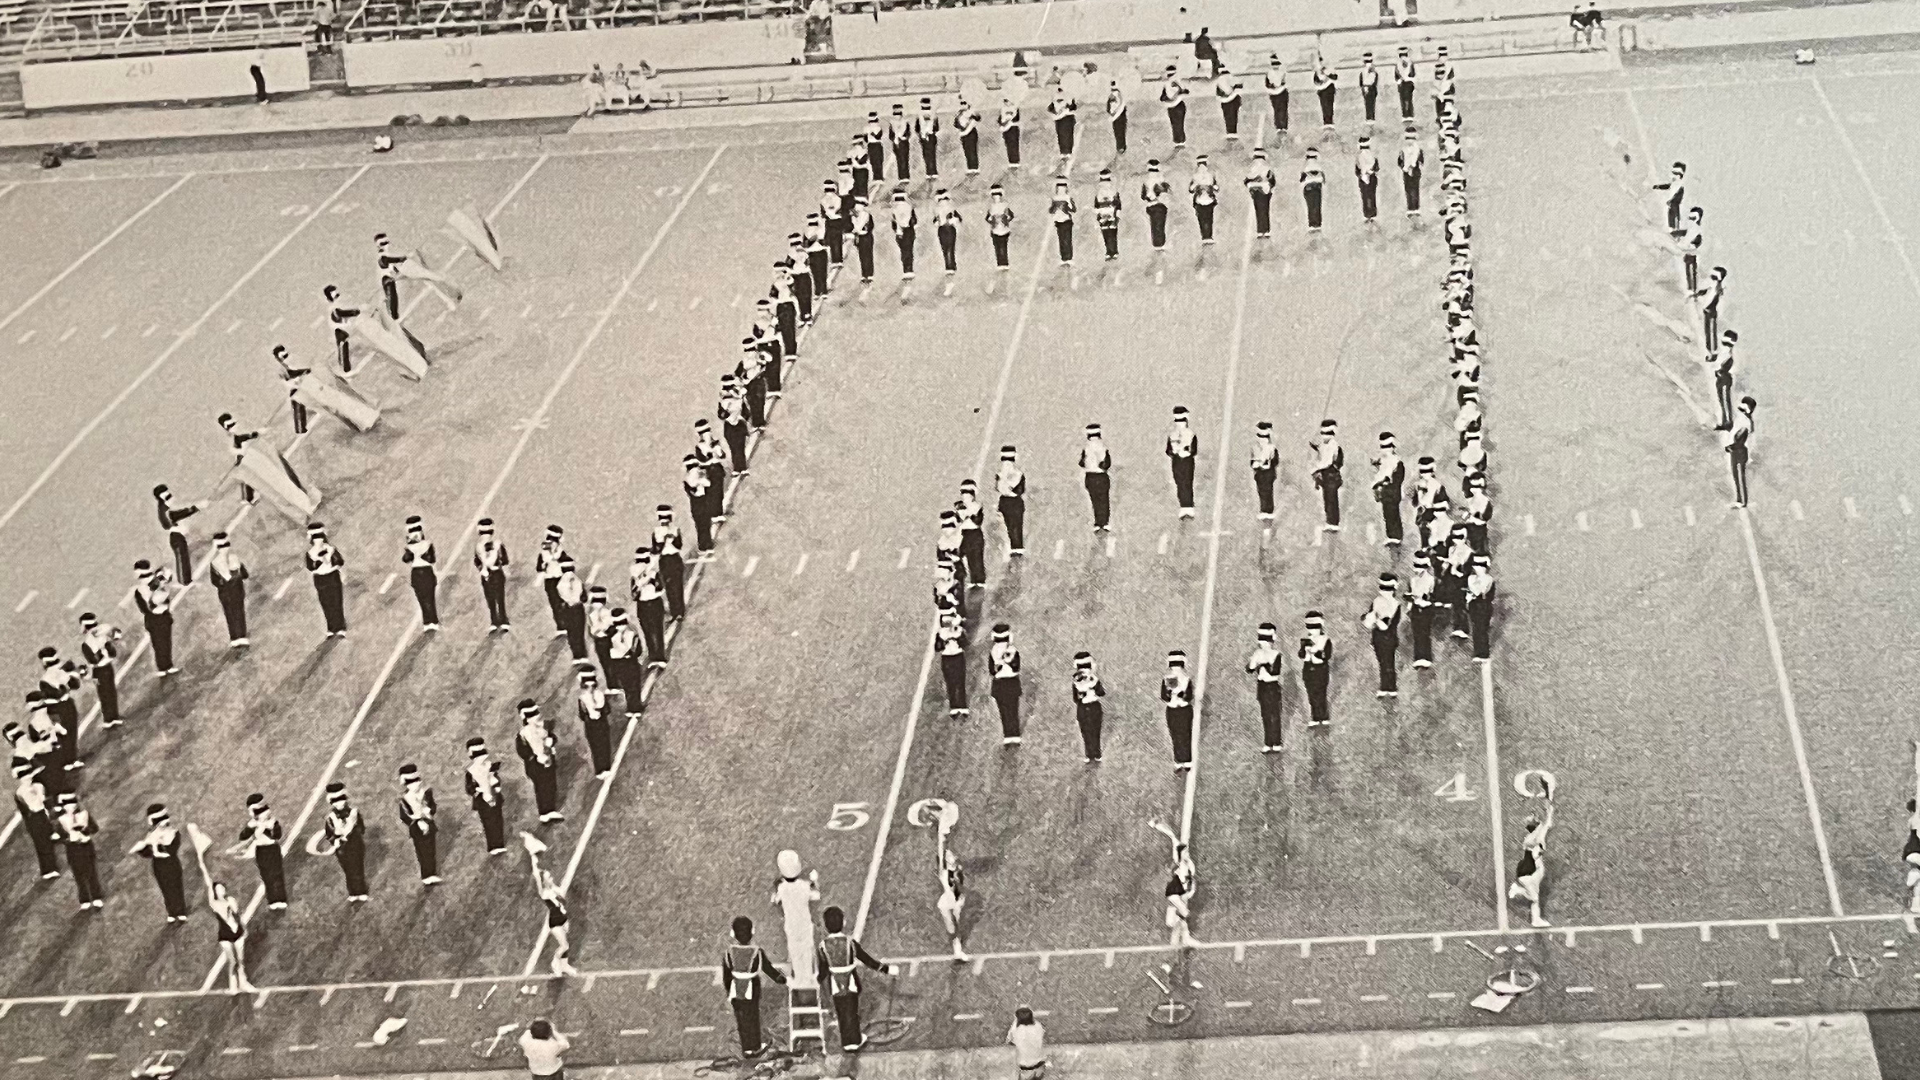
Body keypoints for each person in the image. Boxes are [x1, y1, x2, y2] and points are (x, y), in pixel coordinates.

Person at [818, 905, 893, 1053]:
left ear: (825, 926)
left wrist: (818, 981)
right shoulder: (850, 943)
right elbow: (867, 960)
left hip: (835, 983)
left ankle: (847, 1040)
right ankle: (855, 1039)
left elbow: (822, 971)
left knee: (841, 1011)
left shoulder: (822, 946)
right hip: (851, 980)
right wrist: (886, 969)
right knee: (852, 1010)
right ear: (843, 923)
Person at [723, 916, 786, 1058]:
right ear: (752, 932)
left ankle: (746, 1048)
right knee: (753, 1016)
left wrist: (729, 991)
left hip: (735, 988)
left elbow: (726, 975)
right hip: (752, 987)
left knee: (741, 1018)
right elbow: (768, 969)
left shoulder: (729, 952)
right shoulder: (757, 951)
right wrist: (780, 978)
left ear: (733, 934)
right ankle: (755, 1047)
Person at [131, 803, 189, 923]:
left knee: (176, 887)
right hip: (159, 866)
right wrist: (146, 847)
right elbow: (147, 853)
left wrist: (161, 843)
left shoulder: (173, 833)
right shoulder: (151, 835)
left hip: (172, 863)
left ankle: (181, 911)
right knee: (165, 888)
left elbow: (172, 849)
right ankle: (172, 912)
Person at [230, 793, 289, 910]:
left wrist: (267, 828)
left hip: (272, 848)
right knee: (266, 876)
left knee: (276, 874)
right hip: (261, 850)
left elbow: (277, 835)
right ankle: (272, 900)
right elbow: (243, 836)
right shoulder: (253, 823)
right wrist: (251, 827)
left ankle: (280, 898)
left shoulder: (271, 822)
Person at [529, 844, 579, 975]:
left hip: (563, 919)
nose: (551, 878)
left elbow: (562, 895)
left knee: (566, 944)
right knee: (564, 946)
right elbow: (537, 877)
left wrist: (555, 889)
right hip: (555, 923)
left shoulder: (553, 888)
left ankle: (565, 965)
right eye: (549, 878)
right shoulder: (544, 893)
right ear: (544, 882)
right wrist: (533, 862)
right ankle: (555, 963)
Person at [772, 849, 821, 984]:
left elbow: (775, 900)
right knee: (807, 950)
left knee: (794, 951)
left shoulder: (782, 888)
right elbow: (816, 895)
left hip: (791, 925)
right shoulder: (804, 886)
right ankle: (809, 977)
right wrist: (815, 881)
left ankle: (798, 978)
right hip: (805, 924)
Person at [1508, 792, 1555, 927]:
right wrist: (1549, 811)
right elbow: (1546, 825)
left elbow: (1547, 825)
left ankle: (1536, 919)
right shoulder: (1535, 837)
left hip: (1530, 869)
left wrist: (1549, 811)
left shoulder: (1531, 836)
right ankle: (1518, 890)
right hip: (1529, 871)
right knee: (1534, 898)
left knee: (1535, 895)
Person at [54, 792, 103, 910]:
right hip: (73, 849)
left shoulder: (84, 815)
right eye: (67, 806)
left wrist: (85, 830)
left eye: (72, 805)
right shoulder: (62, 820)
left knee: (91, 873)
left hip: (86, 846)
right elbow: (60, 837)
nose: (70, 808)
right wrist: (68, 837)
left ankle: (96, 897)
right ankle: (84, 899)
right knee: (78, 875)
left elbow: (95, 828)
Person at [77, 613, 124, 728]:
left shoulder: (87, 643)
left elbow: (93, 660)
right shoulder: (103, 635)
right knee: (110, 691)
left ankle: (109, 718)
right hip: (107, 667)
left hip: (99, 671)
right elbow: (112, 650)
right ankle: (113, 716)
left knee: (104, 694)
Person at [209, 881, 257, 993]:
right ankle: (233, 986)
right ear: (214, 892)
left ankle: (244, 984)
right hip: (225, 935)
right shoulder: (214, 904)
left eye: (222, 888)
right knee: (232, 961)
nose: (221, 890)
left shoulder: (231, 900)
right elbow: (208, 886)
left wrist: (243, 928)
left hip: (237, 933)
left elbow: (237, 915)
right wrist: (203, 870)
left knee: (240, 960)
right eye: (218, 889)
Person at [1247, 624, 1284, 752]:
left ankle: (1277, 741)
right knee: (1266, 715)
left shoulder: (1276, 654)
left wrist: (1262, 664)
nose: (1263, 643)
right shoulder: (1258, 653)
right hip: (1262, 686)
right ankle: (1268, 742)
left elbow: (1275, 672)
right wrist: (1253, 662)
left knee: (1275, 714)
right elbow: (1249, 669)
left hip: (1272, 687)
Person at [1070, 651, 1105, 763]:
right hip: (1090, 707)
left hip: (1087, 707)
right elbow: (1101, 693)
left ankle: (1092, 753)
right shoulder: (1088, 680)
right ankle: (1094, 753)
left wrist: (1089, 688)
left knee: (1089, 730)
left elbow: (1076, 699)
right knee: (1091, 730)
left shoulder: (1081, 681)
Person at [1008, 1006, 1048, 1080]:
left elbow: (1009, 1040)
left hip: (1025, 1069)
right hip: (1040, 1067)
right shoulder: (1038, 1026)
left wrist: (1015, 1021)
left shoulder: (1016, 1029)